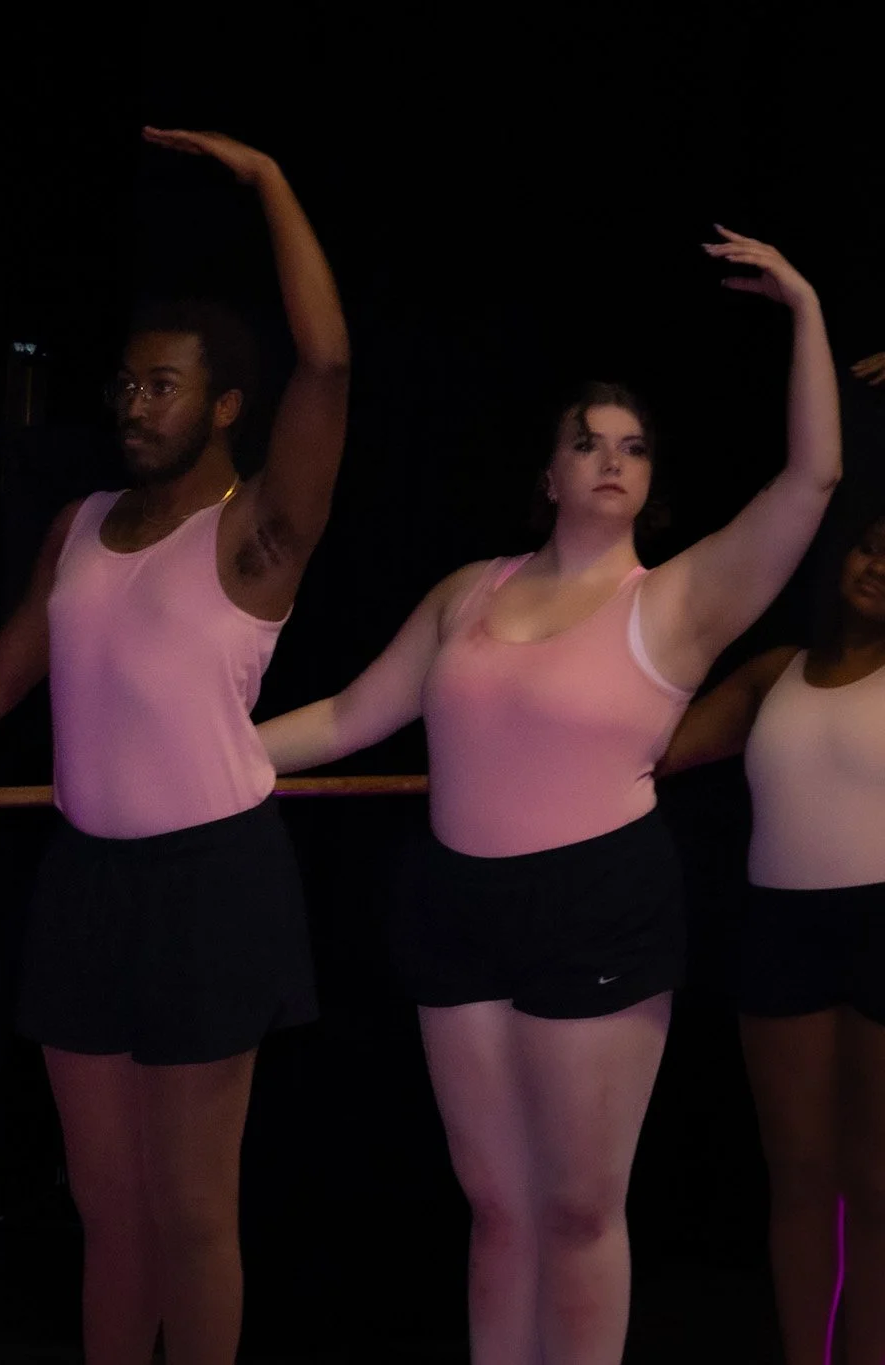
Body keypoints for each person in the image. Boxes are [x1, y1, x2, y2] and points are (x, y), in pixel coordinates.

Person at [257, 229, 840, 1365]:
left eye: (631, 446)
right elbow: (341, 718)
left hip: (597, 908)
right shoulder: (463, 594)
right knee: (495, 1208)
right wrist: (213, 755)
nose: (610, 458)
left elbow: (809, 478)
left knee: (577, 1211)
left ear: (650, 478)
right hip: (450, 905)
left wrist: (805, 308)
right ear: (549, 474)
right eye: (586, 442)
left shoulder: (676, 601)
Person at [0, 128, 349, 1365]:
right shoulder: (79, 526)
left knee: (194, 1209)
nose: (134, 405)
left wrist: (267, 180)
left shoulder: (260, 532)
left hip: (212, 885)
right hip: (85, 884)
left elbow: (328, 359)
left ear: (224, 407)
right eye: (128, 384)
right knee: (107, 1207)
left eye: (164, 386)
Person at [658, 499, 885, 1365]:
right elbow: (655, 750)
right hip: (781, 927)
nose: (876, 564)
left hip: (882, 924)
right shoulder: (773, 673)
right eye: (867, 546)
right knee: (798, 1174)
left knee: (875, 1181)